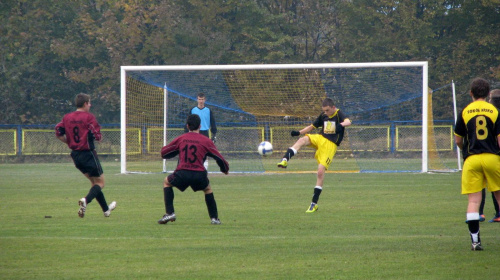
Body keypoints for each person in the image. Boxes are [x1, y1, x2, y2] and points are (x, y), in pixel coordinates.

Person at [277, 97, 351, 213]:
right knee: (302, 140)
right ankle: (285, 159)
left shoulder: (338, 113)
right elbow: (312, 127)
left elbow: (348, 121)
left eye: (327, 110)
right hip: (320, 138)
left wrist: (341, 125)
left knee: (320, 171)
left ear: (333, 107)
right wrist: (299, 132)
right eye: (324, 111)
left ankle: (314, 204)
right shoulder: (323, 116)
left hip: (330, 145)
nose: (325, 113)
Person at [454, 78, 500, 251]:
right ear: (489, 94)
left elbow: (458, 139)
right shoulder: (495, 110)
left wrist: (464, 149)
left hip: (472, 159)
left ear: (471, 93)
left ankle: (475, 241)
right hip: (492, 158)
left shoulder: (465, 111)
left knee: (474, 201)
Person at [158, 114, 229, 225]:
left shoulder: (181, 139)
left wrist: (177, 151)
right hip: (199, 174)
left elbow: (164, 153)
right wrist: (224, 169)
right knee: (207, 189)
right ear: (200, 126)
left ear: (187, 126)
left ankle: (170, 213)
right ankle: (214, 219)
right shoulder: (206, 141)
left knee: (167, 182)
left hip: (182, 173)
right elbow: (219, 157)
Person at [55, 93, 116, 218]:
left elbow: (58, 130)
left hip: (75, 156)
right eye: (89, 102)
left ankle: (106, 210)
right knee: (101, 183)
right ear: (85, 104)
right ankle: (85, 200)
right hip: (88, 153)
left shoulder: (67, 117)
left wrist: (68, 141)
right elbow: (97, 135)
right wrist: (99, 137)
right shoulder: (88, 117)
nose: (90, 105)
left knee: (94, 183)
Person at [478, 89, 500, 223]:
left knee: (479, 184)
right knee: (496, 186)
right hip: (494, 155)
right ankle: (498, 213)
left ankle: (479, 213)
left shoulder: (489, 113)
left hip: (483, 152)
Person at [186, 92, 217, 170]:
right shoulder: (193, 110)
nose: (201, 101)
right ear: (197, 99)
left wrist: (214, 134)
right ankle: (193, 166)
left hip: (204, 132)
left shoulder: (208, 110)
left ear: (204, 100)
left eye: (202, 99)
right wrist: (186, 132)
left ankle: (205, 168)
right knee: (193, 149)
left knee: (205, 150)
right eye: (199, 99)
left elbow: (212, 122)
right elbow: (188, 122)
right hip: (194, 132)